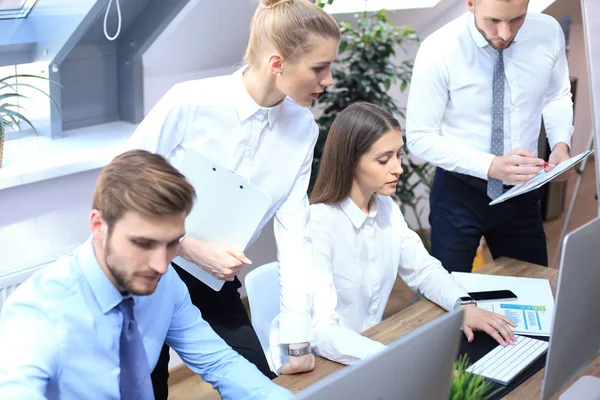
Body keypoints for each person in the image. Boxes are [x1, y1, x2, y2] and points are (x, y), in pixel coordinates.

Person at [126, 0, 341, 392]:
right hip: (145, 273)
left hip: (212, 283)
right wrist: (188, 247)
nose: (328, 80)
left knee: (260, 387)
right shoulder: (189, 102)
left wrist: (297, 336)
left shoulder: (303, 129)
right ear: (277, 63)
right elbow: (121, 184)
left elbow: (295, 236)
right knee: (145, 387)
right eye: (318, 67)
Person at [0, 150, 293, 400]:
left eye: (172, 243)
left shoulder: (166, 284)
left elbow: (219, 362)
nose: (161, 265)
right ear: (98, 225)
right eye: (143, 243)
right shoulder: (38, 314)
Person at [267, 102, 517, 369]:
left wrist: (463, 305)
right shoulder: (319, 223)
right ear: (350, 161)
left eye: (399, 155)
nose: (398, 168)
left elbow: (424, 271)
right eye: (384, 159)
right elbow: (323, 332)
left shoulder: (386, 207)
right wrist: (389, 357)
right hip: (329, 362)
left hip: (371, 352)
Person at [405, 0, 574, 274]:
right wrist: (491, 166)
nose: (506, 33)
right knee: (451, 299)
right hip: (458, 193)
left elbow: (556, 95)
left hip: (523, 192)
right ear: (471, 4)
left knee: (531, 289)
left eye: (517, 19)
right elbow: (419, 136)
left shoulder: (548, 31)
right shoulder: (439, 48)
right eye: (493, 21)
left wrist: (560, 145)